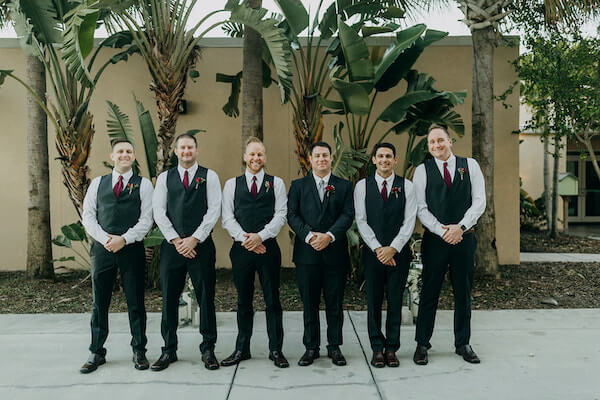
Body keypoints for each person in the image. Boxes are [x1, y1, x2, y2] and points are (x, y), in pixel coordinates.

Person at [412, 124, 486, 365]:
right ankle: (422, 344)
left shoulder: (470, 165)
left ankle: (463, 343)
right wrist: (442, 230)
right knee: (429, 292)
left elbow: (479, 201)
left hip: (464, 239)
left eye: (440, 140)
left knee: (463, 292)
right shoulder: (422, 170)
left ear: (450, 141)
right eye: (432, 142)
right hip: (436, 241)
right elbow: (420, 208)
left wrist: (460, 228)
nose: (436, 145)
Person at [80, 139, 154, 373]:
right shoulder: (97, 184)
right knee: (99, 302)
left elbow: (146, 220)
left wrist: (124, 239)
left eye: (129, 152)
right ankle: (96, 351)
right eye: (120, 151)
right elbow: (89, 216)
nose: (124, 155)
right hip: (103, 250)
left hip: (131, 249)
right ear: (112, 156)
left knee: (135, 301)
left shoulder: (143, 185)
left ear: (133, 156)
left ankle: (139, 350)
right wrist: (106, 239)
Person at [151, 134, 222, 371]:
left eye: (190, 147)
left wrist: (194, 239)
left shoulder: (209, 176)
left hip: (201, 247)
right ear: (177, 151)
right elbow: (159, 211)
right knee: (169, 299)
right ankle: (169, 350)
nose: (186, 151)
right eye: (182, 148)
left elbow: (214, 210)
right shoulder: (164, 178)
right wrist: (176, 239)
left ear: (196, 150)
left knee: (205, 298)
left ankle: (208, 349)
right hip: (172, 248)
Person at [220, 137, 289, 368]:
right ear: (245, 157)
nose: (255, 158)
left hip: (268, 248)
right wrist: (246, 239)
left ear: (265, 157)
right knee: (243, 300)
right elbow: (227, 217)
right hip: (241, 250)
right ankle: (242, 348)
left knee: (273, 300)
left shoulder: (276, 183)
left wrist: (261, 236)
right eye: (252, 154)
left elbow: (281, 215)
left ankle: (276, 349)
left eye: (260, 154)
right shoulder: (232, 184)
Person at [287, 141, 354, 366]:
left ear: (331, 158)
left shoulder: (344, 186)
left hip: (335, 253)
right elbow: (292, 215)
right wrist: (309, 236)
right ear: (310, 159)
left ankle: (334, 346)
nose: (322, 159)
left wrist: (329, 236)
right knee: (309, 303)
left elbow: (347, 215)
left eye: (325, 155)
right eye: (317, 156)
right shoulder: (298, 186)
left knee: (335, 303)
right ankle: (311, 347)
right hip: (307, 254)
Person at [354, 142, 416, 368]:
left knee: (395, 300)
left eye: (388, 156)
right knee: (374, 301)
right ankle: (377, 348)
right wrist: (379, 249)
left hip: (398, 254)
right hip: (373, 254)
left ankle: (392, 348)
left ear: (395, 160)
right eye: (380, 156)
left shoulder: (407, 186)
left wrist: (393, 248)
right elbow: (361, 220)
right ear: (373, 160)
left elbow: (409, 222)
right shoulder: (363, 186)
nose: (384, 160)